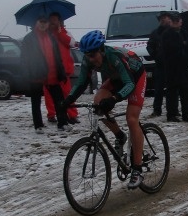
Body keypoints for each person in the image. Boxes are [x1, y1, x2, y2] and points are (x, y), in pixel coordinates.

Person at [62, 30, 147, 189]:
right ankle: (120, 136)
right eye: (86, 55)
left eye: (93, 55)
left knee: (131, 118)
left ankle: (137, 169)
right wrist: (68, 100)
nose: (90, 59)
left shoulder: (114, 56)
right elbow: (81, 84)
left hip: (134, 77)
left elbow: (129, 84)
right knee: (98, 102)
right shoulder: (89, 60)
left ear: (101, 50)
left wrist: (114, 99)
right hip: (116, 79)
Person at [21, 16, 71, 133]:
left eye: (45, 22)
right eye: (41, 22)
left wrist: (61, 71)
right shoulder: (29, 38)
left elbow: (58, 56)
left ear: (48, 24)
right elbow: (24, 58)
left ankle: (62, 122)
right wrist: (27, 74)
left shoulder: (52, 37)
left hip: (53, 74)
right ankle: (38, 125)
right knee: (36, 101)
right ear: (36, 23)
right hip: (36, 74)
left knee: (59, 100)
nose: (43, 24)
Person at [43, 12, 80, 124]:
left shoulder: (65, 33)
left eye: (55, 20)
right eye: (51, 20)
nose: (53, 22)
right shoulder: (45, 34)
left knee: (67, 93)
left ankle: (72, 115)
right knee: (49, 94)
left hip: (63, 70)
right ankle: (52, 114)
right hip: (48, 70)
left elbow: (73, 44)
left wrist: (60, 34)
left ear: (59, 21)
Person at [161, 12, 188, 122]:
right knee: (171, 93)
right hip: (172, 68)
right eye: (174, 21)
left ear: (181, 22)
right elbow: (168, 48)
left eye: (178, 20)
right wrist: (181, 44)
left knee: (185, 92)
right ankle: (171, 115)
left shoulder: (185, 33)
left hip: (184, 67)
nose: (176, 23)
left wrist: (185, 46)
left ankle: (186, 114)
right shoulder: (167, 34)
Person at [146, 11, 172, 117]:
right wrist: (155, 55)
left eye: (165, 17)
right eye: (161, 18)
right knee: (158, 90)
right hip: (160, 65)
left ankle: (172, 110)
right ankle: (157, 110)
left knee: (172, 90)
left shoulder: (173, 32)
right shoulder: (155, 33)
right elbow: (149, 46)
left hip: (172, 66)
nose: (163, 19)